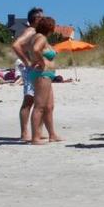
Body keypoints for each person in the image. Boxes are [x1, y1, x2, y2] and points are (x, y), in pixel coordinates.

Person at [24, 16, 63, 145]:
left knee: (49, 106)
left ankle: (52, 134)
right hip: (42, 74)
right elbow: (35, 49)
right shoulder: (41, 37)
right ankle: (35, 137)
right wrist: (41, 62)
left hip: (46, 74)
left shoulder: (37, 36)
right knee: (40, 106)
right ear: (50, 27)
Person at [11, 7, 43, 141]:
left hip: (36, 69)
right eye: (41, 17)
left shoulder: (36, 32)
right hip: (30, 69)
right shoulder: (30, 31)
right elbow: (16, 45)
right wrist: (27, 61)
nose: (44, 19)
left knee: (39, 101)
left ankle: (37, 132)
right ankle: (24, 133)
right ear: (35, 19)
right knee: (29, 100)